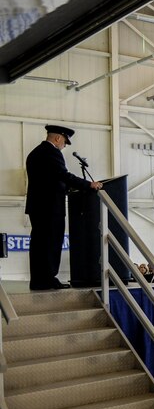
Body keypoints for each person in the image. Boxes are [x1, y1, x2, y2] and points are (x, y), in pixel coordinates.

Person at [25, 124, 104, 290]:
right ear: (58, 138)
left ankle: (39, 280)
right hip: (50, 207)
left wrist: (66, 187)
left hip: (38, 206)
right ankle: (48, 279)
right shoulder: (51, 152)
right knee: (51, 243)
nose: (64, 146)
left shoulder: (35, 153)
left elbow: (50, 179)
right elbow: (63, 175)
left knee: (40, 244)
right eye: (65, 142)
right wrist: (88, 185)